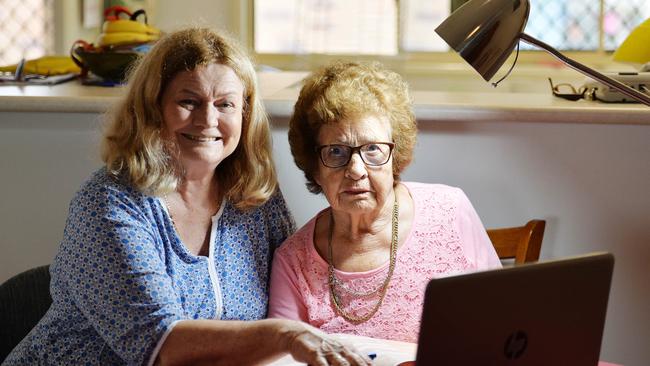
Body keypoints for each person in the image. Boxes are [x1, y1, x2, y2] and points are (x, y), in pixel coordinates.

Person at [4, 29, 371, 366]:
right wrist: (287, 336)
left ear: (244, 115)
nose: (207, 119)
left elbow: (298, 285)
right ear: (152, 109)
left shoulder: (256, 198)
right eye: (189, 101)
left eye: (225, 104)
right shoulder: (109, 205)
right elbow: (162, 345)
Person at [268, 61, 502, 343]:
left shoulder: (451, 210)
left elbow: (503, 322)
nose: (355, 169)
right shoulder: (294, 263)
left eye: (373, 149)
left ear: (395, 156)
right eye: (336, 152)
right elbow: (283, 359)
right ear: (315, 167)